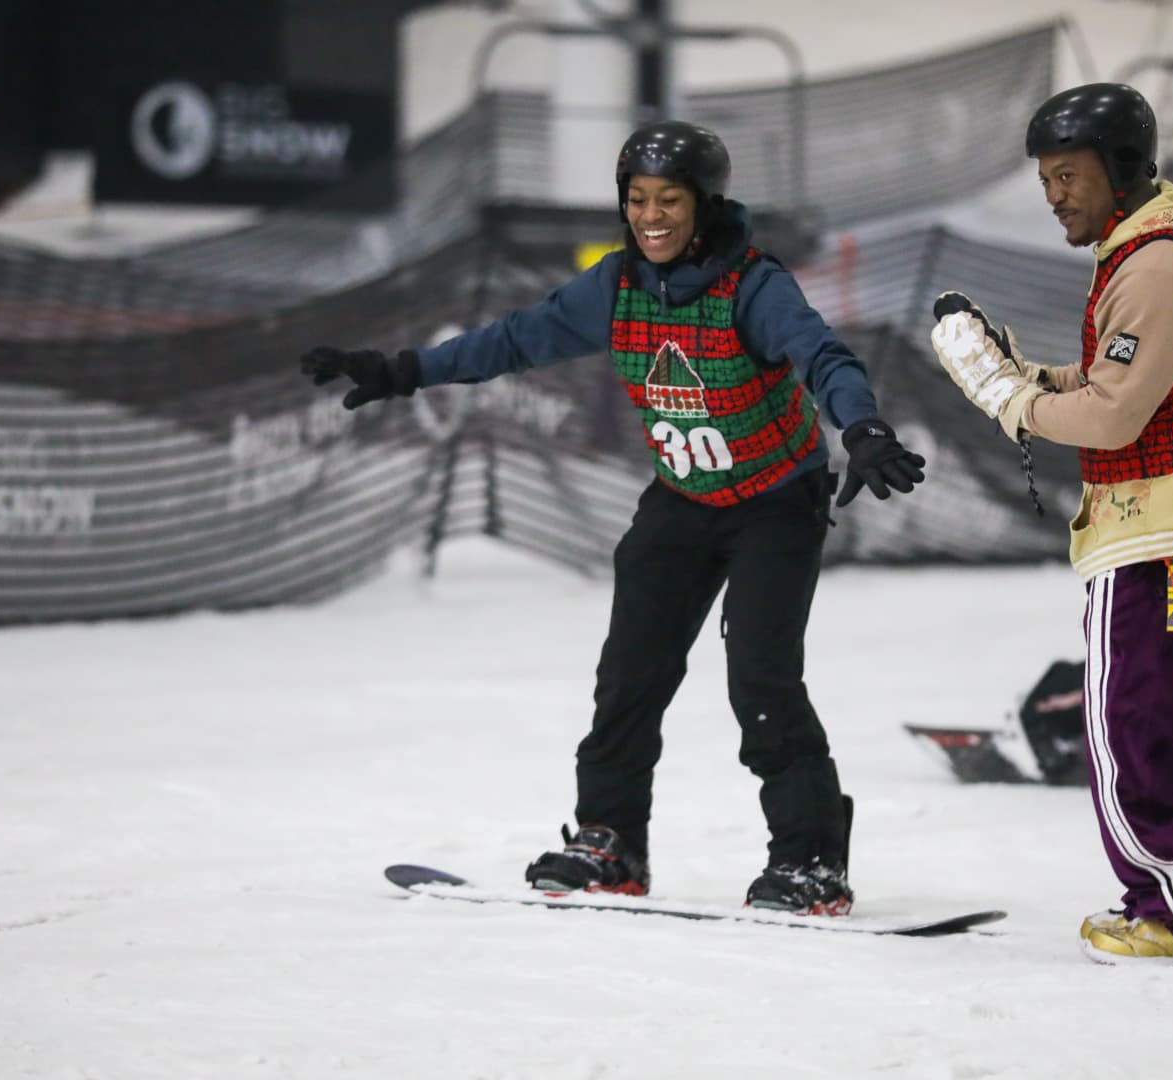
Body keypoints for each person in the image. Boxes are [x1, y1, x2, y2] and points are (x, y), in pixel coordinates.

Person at [299, 121, 927, 916]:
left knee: (761, 680)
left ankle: (810, 862)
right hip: (683, 499)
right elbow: (515, 340)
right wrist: (402, 371)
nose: (651, 216)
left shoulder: (754, 288)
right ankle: (610, 841)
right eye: (637, 200)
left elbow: (822, 356)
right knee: (629, 676)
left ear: (705, 204)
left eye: (670, 200)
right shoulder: (616, 286)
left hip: (775, 499)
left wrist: (862, 426)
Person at [927, 83, 1173, 964]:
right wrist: (1027, 373)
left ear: (1121, 169)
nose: (1055, 195)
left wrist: (1004, 397)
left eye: (1069, 174)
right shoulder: (1153, 246)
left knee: (1134, 730)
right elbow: (1127, 390)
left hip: (1164, 540)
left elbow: (1113, 421)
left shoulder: (1154, 266)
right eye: (1045, 178)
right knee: (1170, 727)